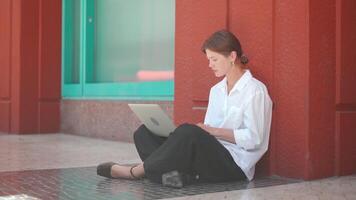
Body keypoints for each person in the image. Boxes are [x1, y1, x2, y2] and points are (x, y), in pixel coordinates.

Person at [97, 30, 272, 188]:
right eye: (209, 60)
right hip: (208, 157)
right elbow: (207, 133)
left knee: (189, 132)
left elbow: (254, 139)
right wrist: (196, 133)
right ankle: (176, 177)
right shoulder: (217, 90)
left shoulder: (255, 90)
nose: (210, 64)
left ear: (232, 56)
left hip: (234, 165)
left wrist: (210, 131)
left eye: (214, 59)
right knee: (144, 133)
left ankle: (135, 172)